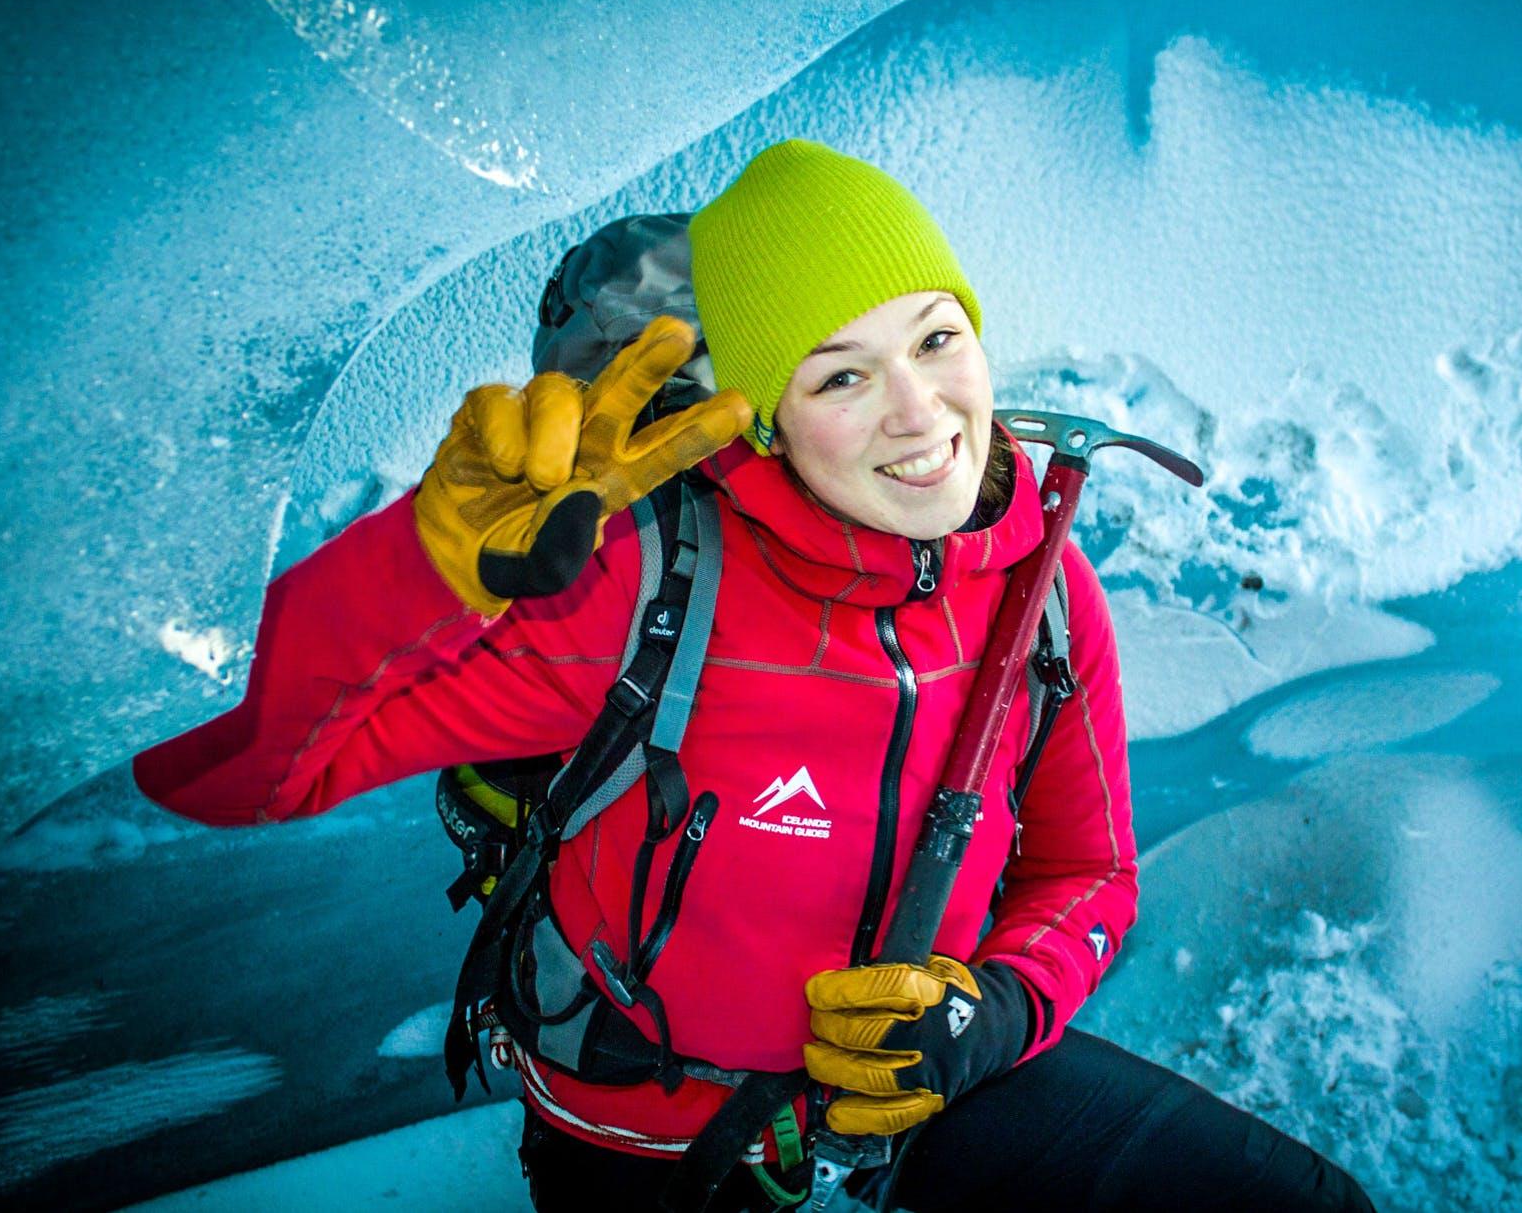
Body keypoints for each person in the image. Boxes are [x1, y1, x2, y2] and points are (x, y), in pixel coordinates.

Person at [136, 139, 1374, 1212]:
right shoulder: (645, 586)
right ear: (763, 417)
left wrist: (982, 1015)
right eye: (838, 375)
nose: (918, 410)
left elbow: (1086, 874)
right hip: (645, 1142)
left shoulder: (1040, 590)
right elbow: (236, 774)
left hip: (917, 1103)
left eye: (935, 337)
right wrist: (419, 567)